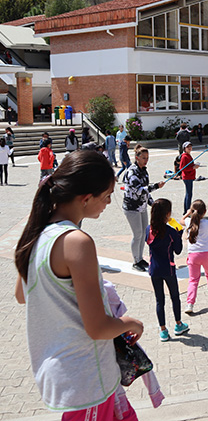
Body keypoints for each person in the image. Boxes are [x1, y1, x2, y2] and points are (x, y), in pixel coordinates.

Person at [14, 150, 143, 419]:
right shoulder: (77, 242)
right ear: (86, 199)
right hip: (86, 378)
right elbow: (97, 328)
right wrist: (131, 323)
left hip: (64, 373)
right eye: (107, 196)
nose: (108, 203)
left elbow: (21, 294)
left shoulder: (39, 232)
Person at [146, 198, 189, 342]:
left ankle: (163, 330)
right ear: (167, 214)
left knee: (159, 300)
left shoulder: (149, 229)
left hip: (153, 269)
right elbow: (178, 250)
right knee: (174, 296)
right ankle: (178, 324)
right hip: (168, 269)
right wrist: (179, 235)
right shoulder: (171, 232)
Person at [122, 144, 164, 272]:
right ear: (137, 157)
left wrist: (153, 204)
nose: (146, 160)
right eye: (144, 158)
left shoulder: (144, 170)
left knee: (143, 234)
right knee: (138, 234)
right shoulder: (132, 171)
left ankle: (140, 258)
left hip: (142, 207)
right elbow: (139, 190)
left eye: (147, 157)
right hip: (131, 208)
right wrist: (156, 186)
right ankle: (136, 261)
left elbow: (146, 192)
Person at [182, 199, 208, 314]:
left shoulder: (188, 222)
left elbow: (182, 220)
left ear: (192, 211)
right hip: (206, 254)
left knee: (193, 280)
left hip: (193, 255)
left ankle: (190, 304)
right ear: (204, 212)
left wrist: (187, 213)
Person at [180, 141, 200, 213]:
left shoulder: (188, 155)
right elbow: (182, 168)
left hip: (189, 177)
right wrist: (193, 167)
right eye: (188, 147)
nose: (189, 148)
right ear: (184, 148)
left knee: (188, 193)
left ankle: (186, 210)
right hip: (187, 177)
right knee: (189, 194)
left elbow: (188, 165)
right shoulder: (184, 156)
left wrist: (194, 165)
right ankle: (188, 210)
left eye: (190, 146)